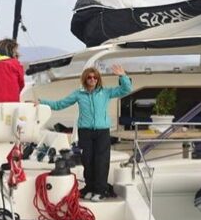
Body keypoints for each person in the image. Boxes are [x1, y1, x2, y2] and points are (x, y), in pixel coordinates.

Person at [38, 65, 132, 202]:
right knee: (87, 161)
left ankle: (100, 190)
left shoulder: (106, 93)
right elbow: (60, 104)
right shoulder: (79, 94)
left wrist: (122, 75)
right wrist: (41, 102)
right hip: (85, 132)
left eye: (95, 77)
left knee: (101, 161)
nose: (92, 79)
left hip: (102, 132)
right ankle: (90, 188)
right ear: (85, 79)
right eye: (89, 77)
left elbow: (126, 89)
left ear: (98, 79)